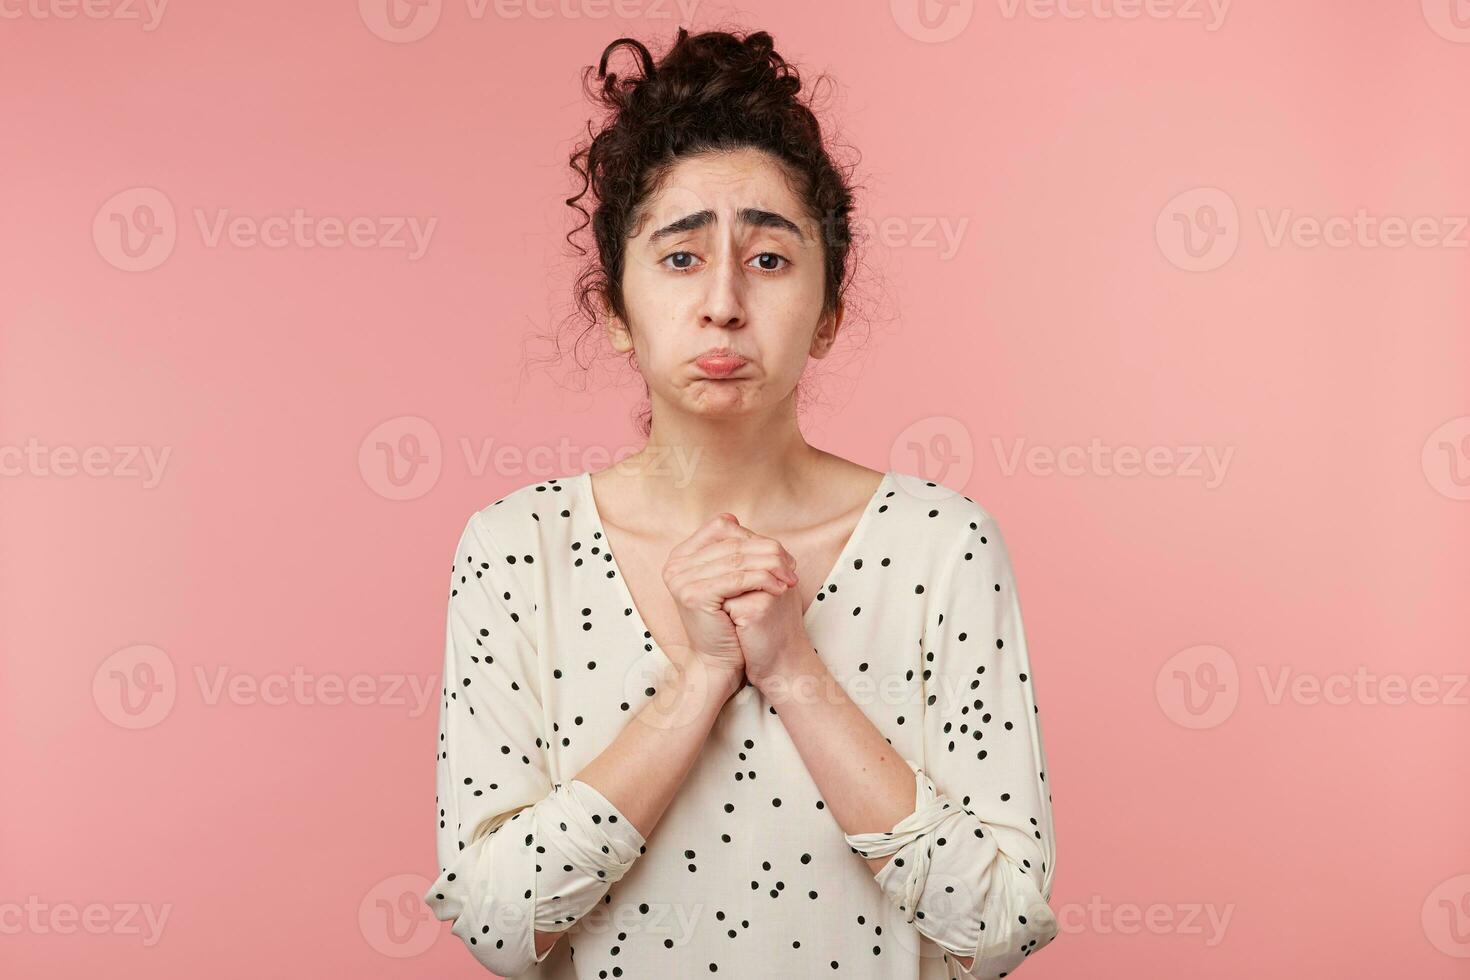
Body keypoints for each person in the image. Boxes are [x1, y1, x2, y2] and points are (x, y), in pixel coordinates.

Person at [423, 27, 1059, 979]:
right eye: (680, 259)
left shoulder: (940, 546)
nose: (722, 302)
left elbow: (1004, 924)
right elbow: (499, 927)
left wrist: (791, 664)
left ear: (831, 313)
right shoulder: (517, 549)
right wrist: (696, 682)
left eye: (768, 260)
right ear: (616, 314)